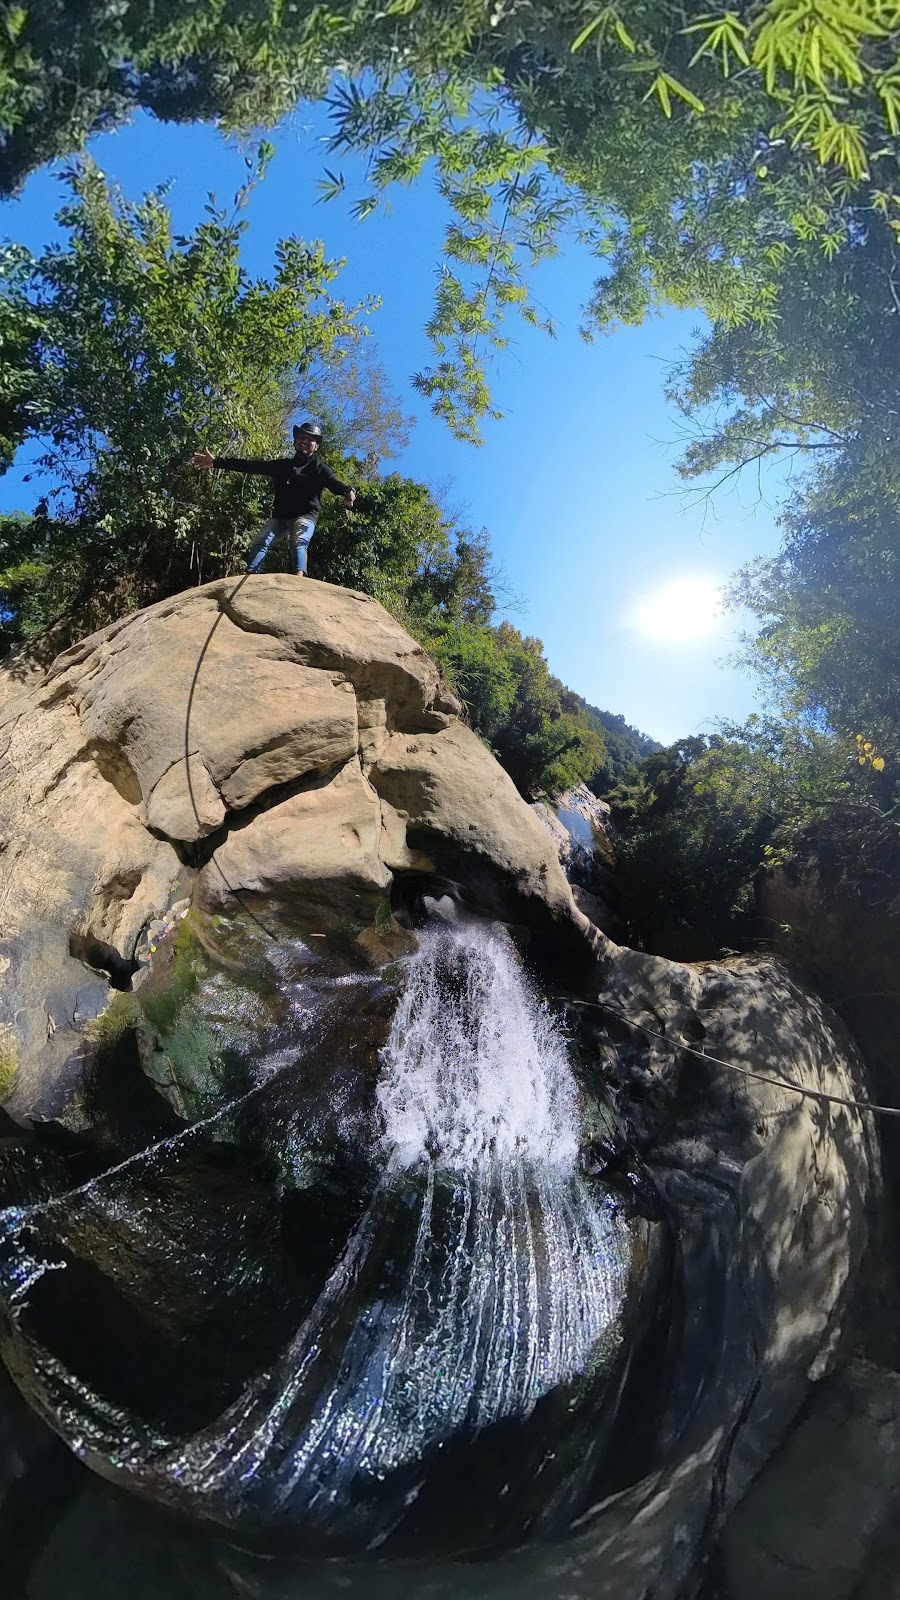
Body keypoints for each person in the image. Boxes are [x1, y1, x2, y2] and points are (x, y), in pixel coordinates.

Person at [192, 422, 357, 576]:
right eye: (301, 437)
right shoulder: (282, 466)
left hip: (305, 516)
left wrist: (348, 491)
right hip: (280, 517)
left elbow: (335, 484)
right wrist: (216, 462)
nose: (304, 441)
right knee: (261, 541)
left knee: (298, 541)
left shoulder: (320, 469)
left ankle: (299, 579)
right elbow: (251, 466)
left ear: (316, 446)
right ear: (295, 441)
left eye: (310, 439)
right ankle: (252, 576)